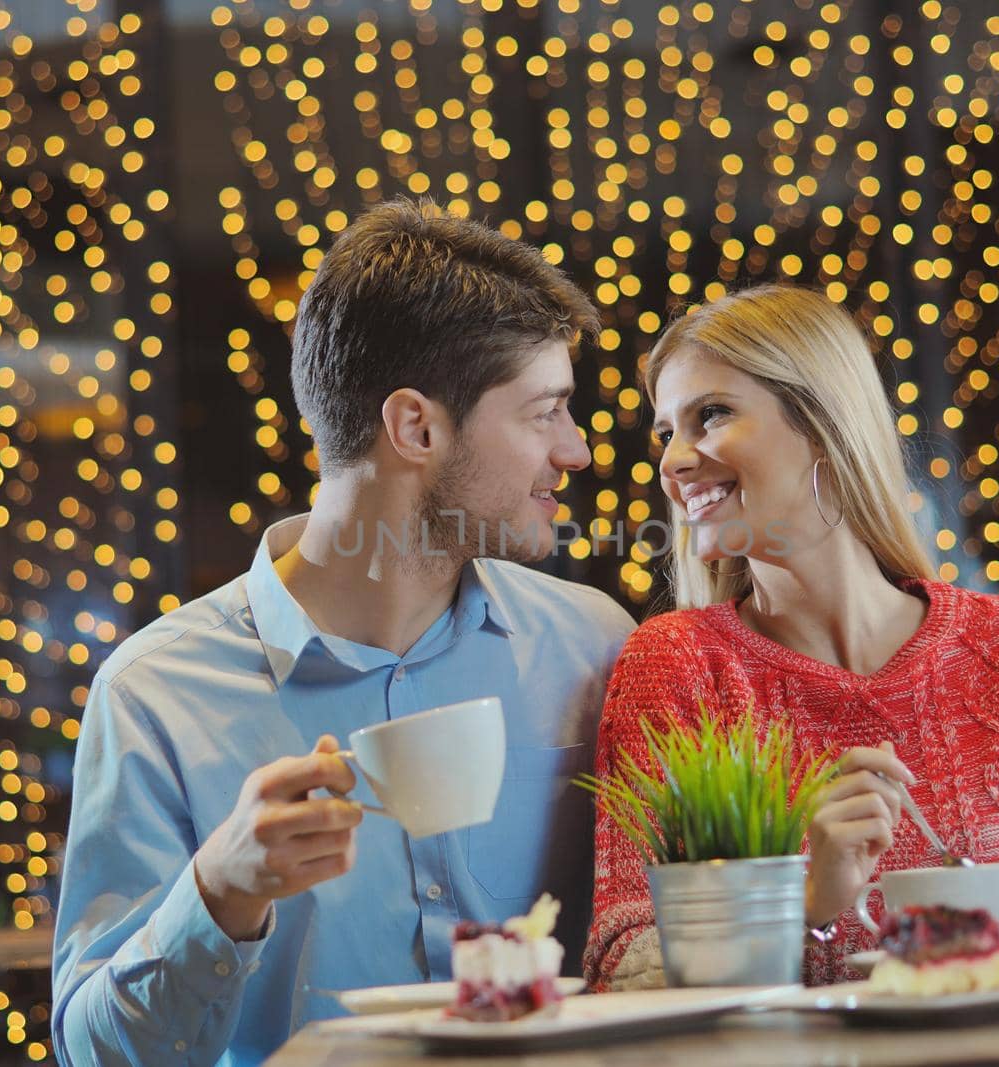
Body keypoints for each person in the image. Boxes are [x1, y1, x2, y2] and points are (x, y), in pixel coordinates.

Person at [53, 199, 636, 1064]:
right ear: (417, 427)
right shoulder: (156, 693)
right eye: (544, 412)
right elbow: (95, 1053)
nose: (577, 451)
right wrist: (215, 895)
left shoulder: (591, 646)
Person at [583, 284, 999, 990]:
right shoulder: (677, 663)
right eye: (666, 432)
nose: (674, 460)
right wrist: (808, 901)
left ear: (822, 424)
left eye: (711, 415)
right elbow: (621, 960)